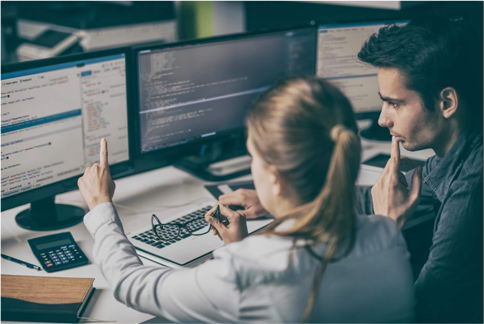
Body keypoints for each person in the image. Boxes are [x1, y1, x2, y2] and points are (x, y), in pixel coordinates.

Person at [78, 78, 415, 323]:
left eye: (253, 156)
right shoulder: (386, 233)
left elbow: (129, 285)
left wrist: (100, 206)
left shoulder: (248, 270)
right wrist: (235, 248)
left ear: (274, 178)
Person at [221, 16, 484, 324]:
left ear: (446, 102)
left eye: (395, 104)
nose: (384, 119)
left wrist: (388, 227)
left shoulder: (472, 187)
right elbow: (380, 196)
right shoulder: (457, 152)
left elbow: (422, 312)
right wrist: (279, 200)